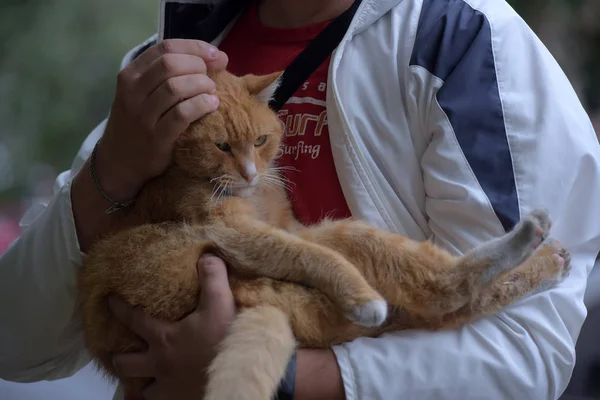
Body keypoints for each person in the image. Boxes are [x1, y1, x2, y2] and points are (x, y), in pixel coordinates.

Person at [1, 0, 600, 399]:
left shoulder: (460, 34)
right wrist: (114, 166)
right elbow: (16, 345)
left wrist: (288, 378)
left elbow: (529, 349)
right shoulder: (166, 60)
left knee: (356, 249)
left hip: (288, 335)